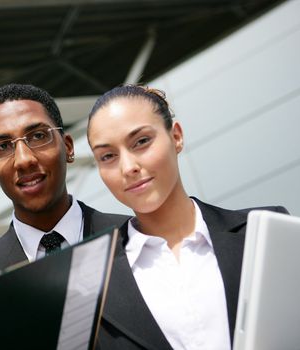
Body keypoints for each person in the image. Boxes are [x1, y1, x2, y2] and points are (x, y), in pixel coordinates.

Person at [86, 84, 288, 350]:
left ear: (176, 137)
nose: (128, 167)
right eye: (108, 156)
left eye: (141, 141)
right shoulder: (91, 291)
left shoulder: (264, 234)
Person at [0, 83, 127, 269]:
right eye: (3, 146)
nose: (24, 160)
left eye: (38, 136)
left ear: (68, 147)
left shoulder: (133, 239)